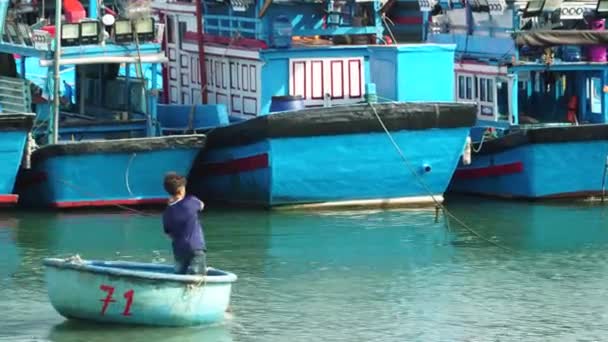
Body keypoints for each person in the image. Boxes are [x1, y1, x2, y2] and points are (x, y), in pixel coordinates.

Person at [162, 172, 207, 275]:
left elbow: (168, 233)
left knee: (178, 276)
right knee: (198, 279)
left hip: (179, 250)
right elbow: (202, 205)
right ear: (182, 189)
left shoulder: (167, 212)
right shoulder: (191, 201)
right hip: (196, 247)